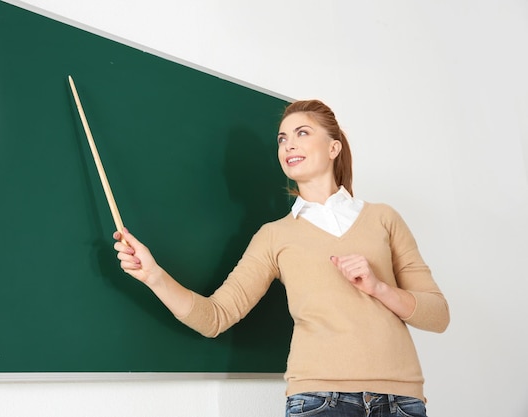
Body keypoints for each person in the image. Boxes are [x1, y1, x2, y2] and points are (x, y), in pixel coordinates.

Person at [113, 99, 449, 417]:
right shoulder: (275, 236)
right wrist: (153, 275)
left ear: (334, 148)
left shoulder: (383, 218)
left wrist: (379, 288)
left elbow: (438, 316)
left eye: (302, 133)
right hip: (320, 402)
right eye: (282, 139)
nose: (288, 145)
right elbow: (215, 317)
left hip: (401, 401)